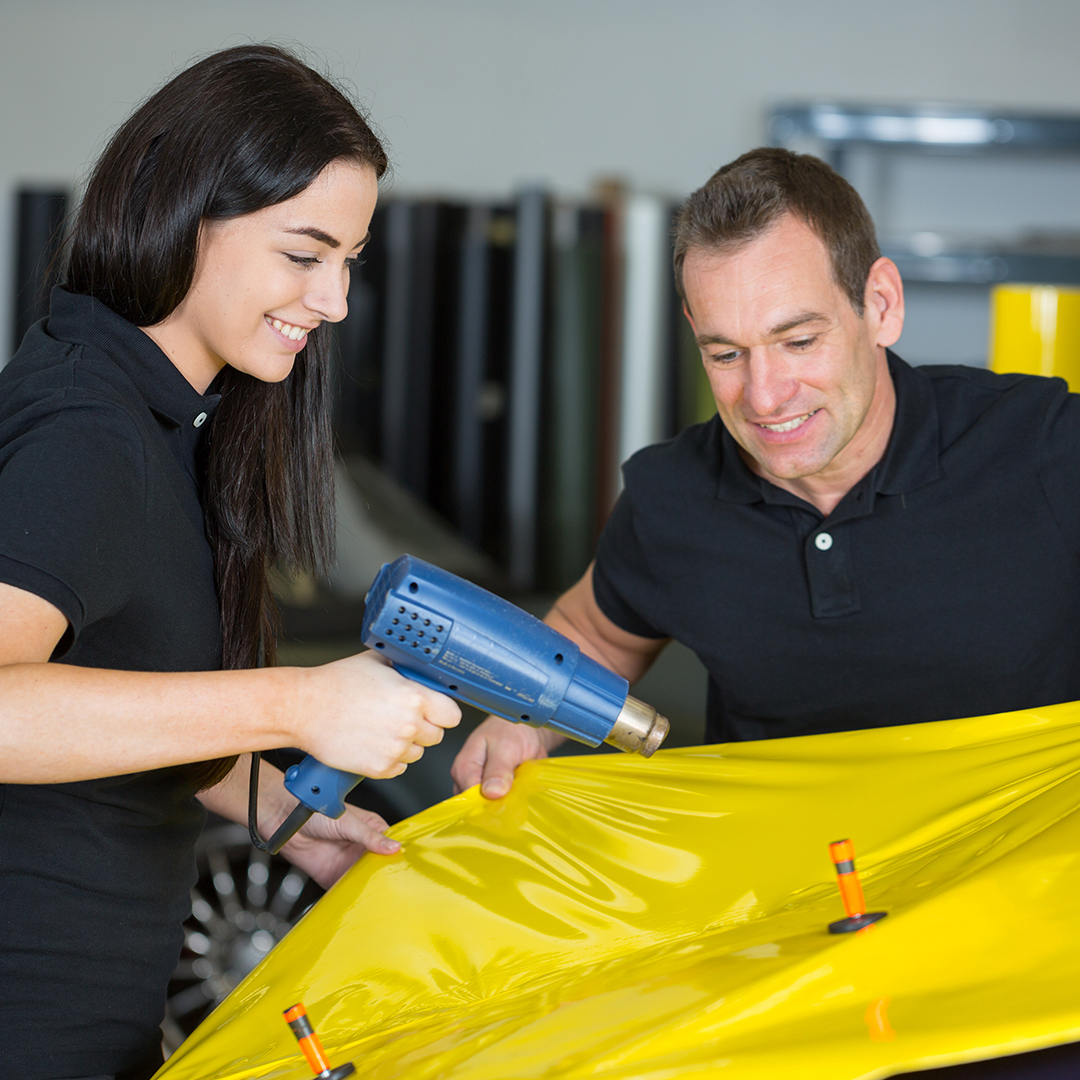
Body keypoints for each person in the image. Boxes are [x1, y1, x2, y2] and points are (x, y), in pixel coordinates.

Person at [0, 45, 460, 1080]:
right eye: (304, 255)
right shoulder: (90, 429)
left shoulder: (165, 419)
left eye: (350, 260)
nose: (335, 301)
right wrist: (297, 702)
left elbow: (126, 702)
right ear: (180, 211)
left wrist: (283, 814)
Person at [452, 146, 1080, 799]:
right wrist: (520, 720)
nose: (763, 396)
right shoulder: (673, 496)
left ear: (882, 305)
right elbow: (594, 635)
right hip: (782, 883)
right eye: (726, 353)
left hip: (1018, 879)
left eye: (799, 341)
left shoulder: (1044, 446)